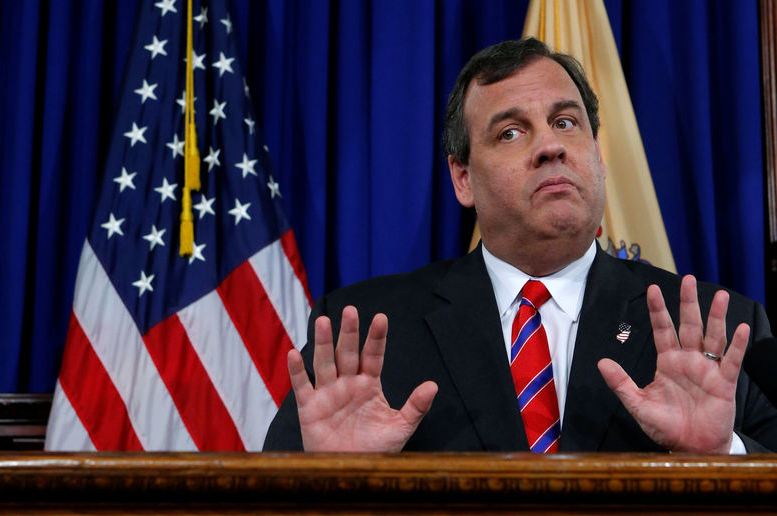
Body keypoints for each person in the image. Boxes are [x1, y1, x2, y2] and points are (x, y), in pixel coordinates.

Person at [263, 38, 777, 453]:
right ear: (462, 179)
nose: (550, 146)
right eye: (511, 132)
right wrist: (338, 481)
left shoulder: (720, 330)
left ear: (597, 157)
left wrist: (722, 455)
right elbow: (268, 514)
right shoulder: (369, 333)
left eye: (565, 123)